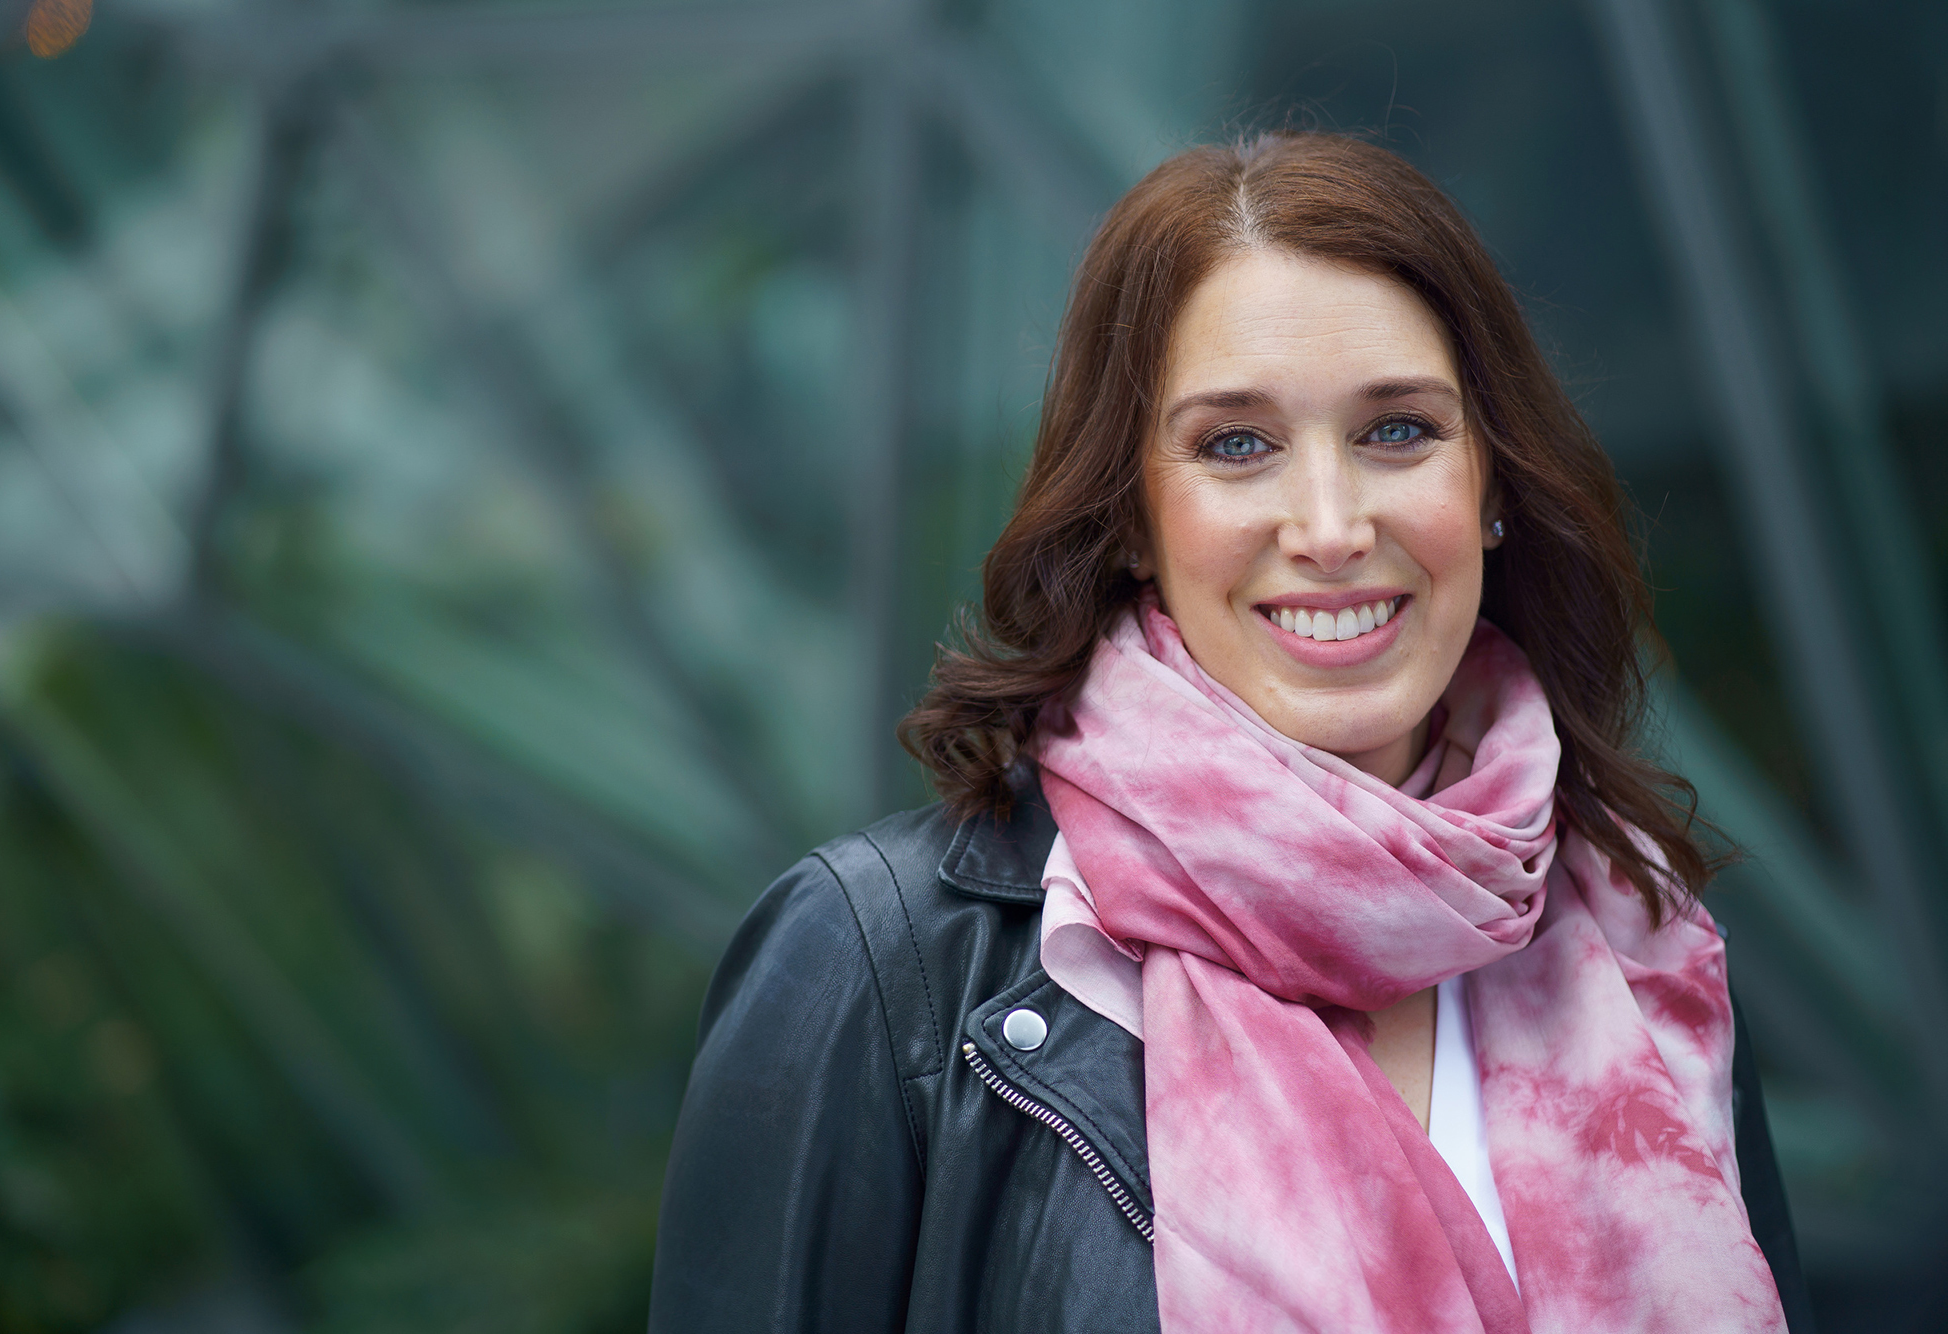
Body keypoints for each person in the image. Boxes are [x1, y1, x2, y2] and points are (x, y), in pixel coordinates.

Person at [648, 131, 1811, 1334]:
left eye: (1397, 429)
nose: (1327, 523)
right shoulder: (881, 961)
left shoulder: (1639, 928)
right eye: (1236, 444)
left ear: (1493, 484)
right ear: (1134, 518)